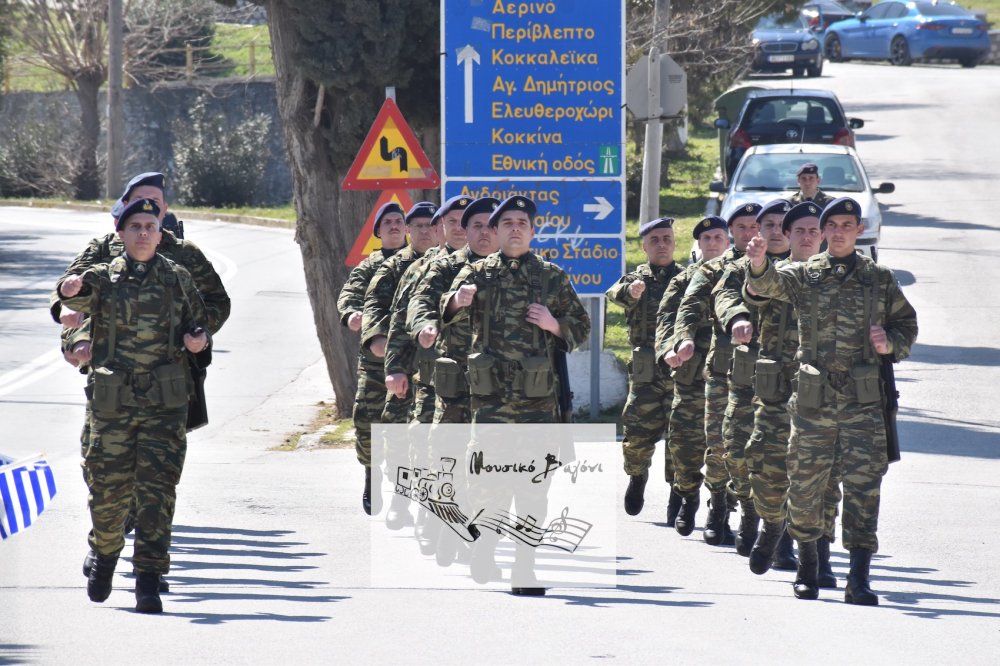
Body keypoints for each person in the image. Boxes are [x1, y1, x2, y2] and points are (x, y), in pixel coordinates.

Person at [58, 172, 230, 593]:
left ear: (164, 215)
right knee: (104, 476)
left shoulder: (180, 265)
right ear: (121, 218)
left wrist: (198, 338)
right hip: (112, 392)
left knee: (158, 484)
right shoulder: (102, 261)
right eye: (136, 217)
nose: (144, 229)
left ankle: (149, 576)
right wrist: (76, 337)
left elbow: (209, 309)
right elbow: (70, 303)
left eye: (152, 218)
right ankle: (106, 545)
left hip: (165, 388)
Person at [746, 196, 917, 604]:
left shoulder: (879, 279)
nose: (839, 231)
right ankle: (807, 570)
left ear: (859, 231)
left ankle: (858, 579)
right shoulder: (804, 276)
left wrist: (888, 342)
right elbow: (765, 287)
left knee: (863, 488)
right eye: (832, 225)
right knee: (806, 487)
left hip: (863, 405)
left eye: (847, 224)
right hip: (812, 405)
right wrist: (756, 263)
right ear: (822, 232)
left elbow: (906, 324)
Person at [442, 195, 591, 596]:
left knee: (533, 488)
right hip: (490, 403)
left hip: (537, 405)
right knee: (486, 484)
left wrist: (555, 324)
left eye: (522, 222)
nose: (514, 228)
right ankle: (485, 545)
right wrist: (457, 302)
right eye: (506, 221)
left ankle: (524, 569)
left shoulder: (552, 277)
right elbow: (446, 312)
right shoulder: (477, 275)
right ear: (494, 230)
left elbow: (583, 326)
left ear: (533, 229)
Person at [743, 201, 838, 580]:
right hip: (777, 390)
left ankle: (818, 556)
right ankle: (772, 528)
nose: (808, 236)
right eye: (799, 230)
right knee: (770, 470)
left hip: (822, 395)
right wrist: (756, 264)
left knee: (824, 479)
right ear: (788, 235)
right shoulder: (777, 274)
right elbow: (754, 291)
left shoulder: (840, 278)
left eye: (815, 230)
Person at [674, 204, 762, 546]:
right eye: (741, 226)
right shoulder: (715, 270)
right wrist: (681, 340)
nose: (749, 232)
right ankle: (718, 508)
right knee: (720, 445)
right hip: (725, 370)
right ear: (731, 233)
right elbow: (688, 307)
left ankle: (763, 519)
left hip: (772, 374)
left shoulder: (781, 269)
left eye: (755, 226)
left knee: (766, 450)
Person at [710, 200, 791, 556]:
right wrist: (738, 317)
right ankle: (747, 510)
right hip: (747, 376)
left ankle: (785, 534)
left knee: (790, 458)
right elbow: (724, 295)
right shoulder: (741, 267)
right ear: (758, 230)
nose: (775, 232)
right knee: (739, 451)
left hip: (793, 381)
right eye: (768, 225)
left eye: (781, 225)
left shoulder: (805, 271)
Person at [655, 216, 729, 535]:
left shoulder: (740, 276)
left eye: (718, 237)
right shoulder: (683, 280)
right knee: (684, 446)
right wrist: (669, 350)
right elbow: (666, 321)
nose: (712, 243)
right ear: (698, 244)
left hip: (728, 378)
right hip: (691, 375)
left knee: (723, 447)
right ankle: (687, 495)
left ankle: (719, 509)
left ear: (727, 242)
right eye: (707, 238)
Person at [606, 217, 682, 518]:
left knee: (681, 437)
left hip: (680, 372)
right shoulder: (636, 278)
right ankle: (637, 477)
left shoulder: (687, 277)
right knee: (637, 435)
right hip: (646, 373)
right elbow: (615, 293)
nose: (661, 244)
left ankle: (678, 492)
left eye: (666, 239)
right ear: (644, 246)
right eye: (655, 240)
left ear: (674, 243)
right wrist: (632, 293)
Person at [336, 200, 408, 515]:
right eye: (387, 222)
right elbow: (349, 295)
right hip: (375, 364)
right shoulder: (369, 266)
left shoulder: (420, 262)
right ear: (377, 232)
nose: (394, 225)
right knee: (367, 424)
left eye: (398, 221)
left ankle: (403, 495)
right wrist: (352, 314)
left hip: (411, 362)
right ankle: (371, 474)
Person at [409, 197, 500, 426]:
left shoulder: (523, 269)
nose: (484, 232)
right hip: (458, 387)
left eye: (490, 225)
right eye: (477, 226)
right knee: (448, 458)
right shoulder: (447, 267)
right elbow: (420, 301)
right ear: (466, 230)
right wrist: (425, 326)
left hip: (507, 390)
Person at [363, 201, 440, 425]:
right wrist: (377, 337)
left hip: (441, 364)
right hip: (405, 360)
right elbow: (375, 304)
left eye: (430, 225)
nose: (425, 231)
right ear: (409, 230)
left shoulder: (453, 263)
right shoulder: (395, 266)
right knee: (397, 431)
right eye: (418, 226)